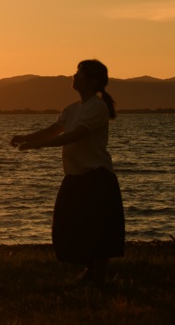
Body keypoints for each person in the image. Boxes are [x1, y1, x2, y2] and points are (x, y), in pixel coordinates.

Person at [10, 59, 125, 285]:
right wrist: (26, 138)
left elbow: (75, 135)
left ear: (92, 81)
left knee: (99, 228)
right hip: (75, 176)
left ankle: (97, 277)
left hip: (96, 176)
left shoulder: (97, 107)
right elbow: (54, 130)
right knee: (70, 225)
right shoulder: (73, 109)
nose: (74, 76)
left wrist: (38, 146)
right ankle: (89, 271)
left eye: (79, 73)